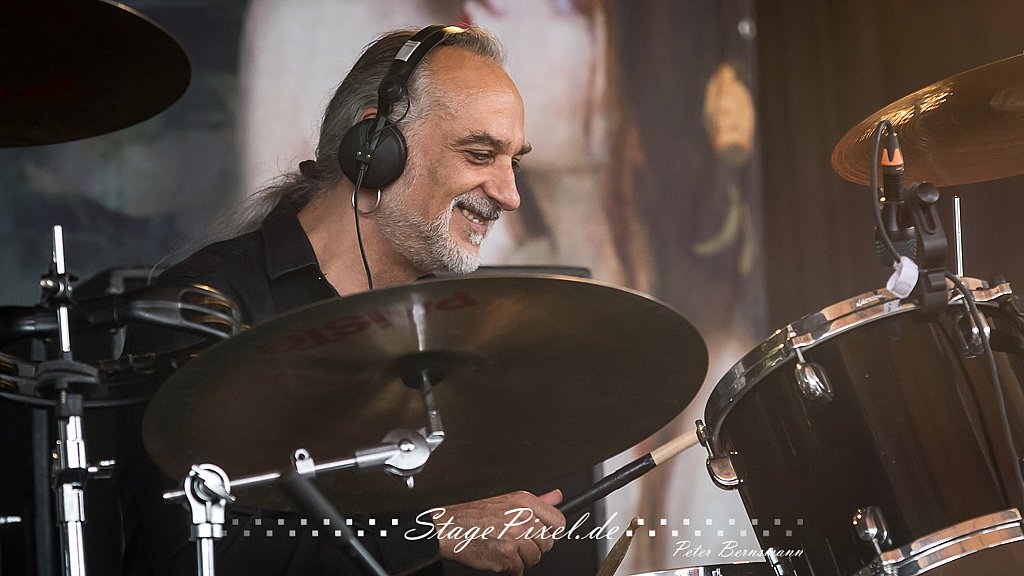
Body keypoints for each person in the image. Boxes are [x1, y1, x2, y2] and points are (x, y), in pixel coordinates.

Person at [117, 25, 566, 576]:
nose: (510, 194)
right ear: (375, 147)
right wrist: (429, 534)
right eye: (479, 155)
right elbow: (188, 554)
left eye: (512, 162)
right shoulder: (208, 307)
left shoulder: (457, 324)